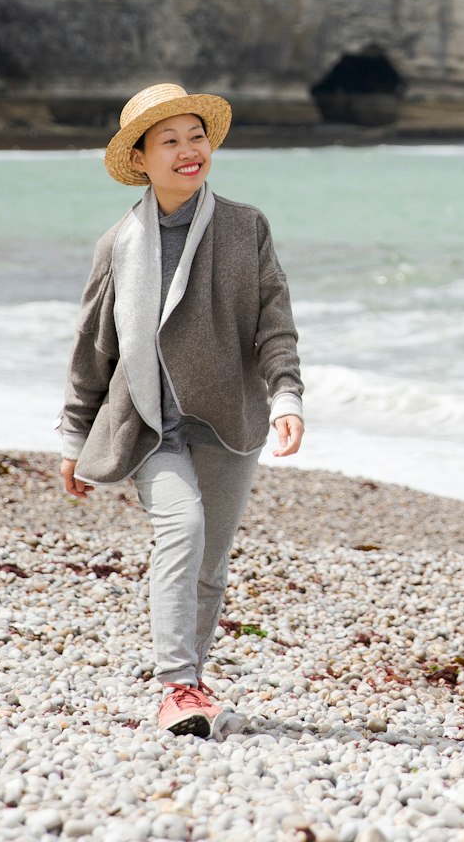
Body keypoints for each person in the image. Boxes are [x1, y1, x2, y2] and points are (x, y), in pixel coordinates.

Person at [57, 82, 305, 738]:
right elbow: (94, 348)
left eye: (197, 136)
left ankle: (191, 681)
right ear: (140, 158)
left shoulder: (245, 227)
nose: (189, 150)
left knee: (210, 563)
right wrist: (73, 437)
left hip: (229, 420)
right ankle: (174, 687)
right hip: (147, 425)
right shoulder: (118, 243)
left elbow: (274, 323)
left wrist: (287, 397)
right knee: (183, 528)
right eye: (171, 140)